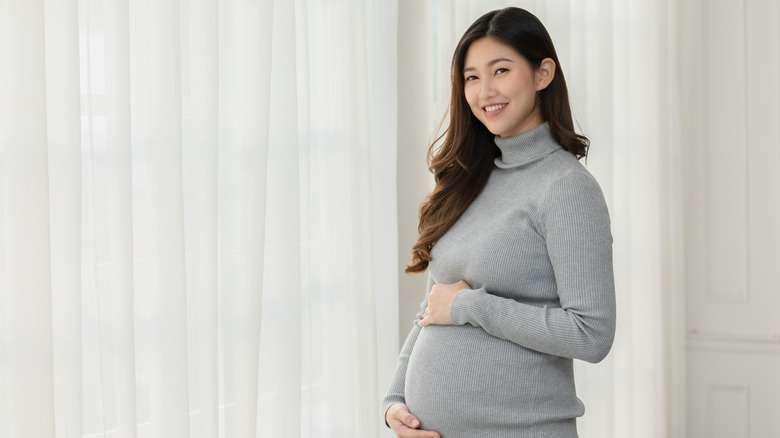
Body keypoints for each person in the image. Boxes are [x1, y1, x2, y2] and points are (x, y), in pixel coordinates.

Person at [382, 7, 616, 438]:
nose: (484, 91)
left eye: (501, 70)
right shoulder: (469, 178)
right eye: (471, 77)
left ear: (543, 73)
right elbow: (436, 304)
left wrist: (472, 307)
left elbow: (591, 334)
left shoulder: (566, 187)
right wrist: (396, 401)